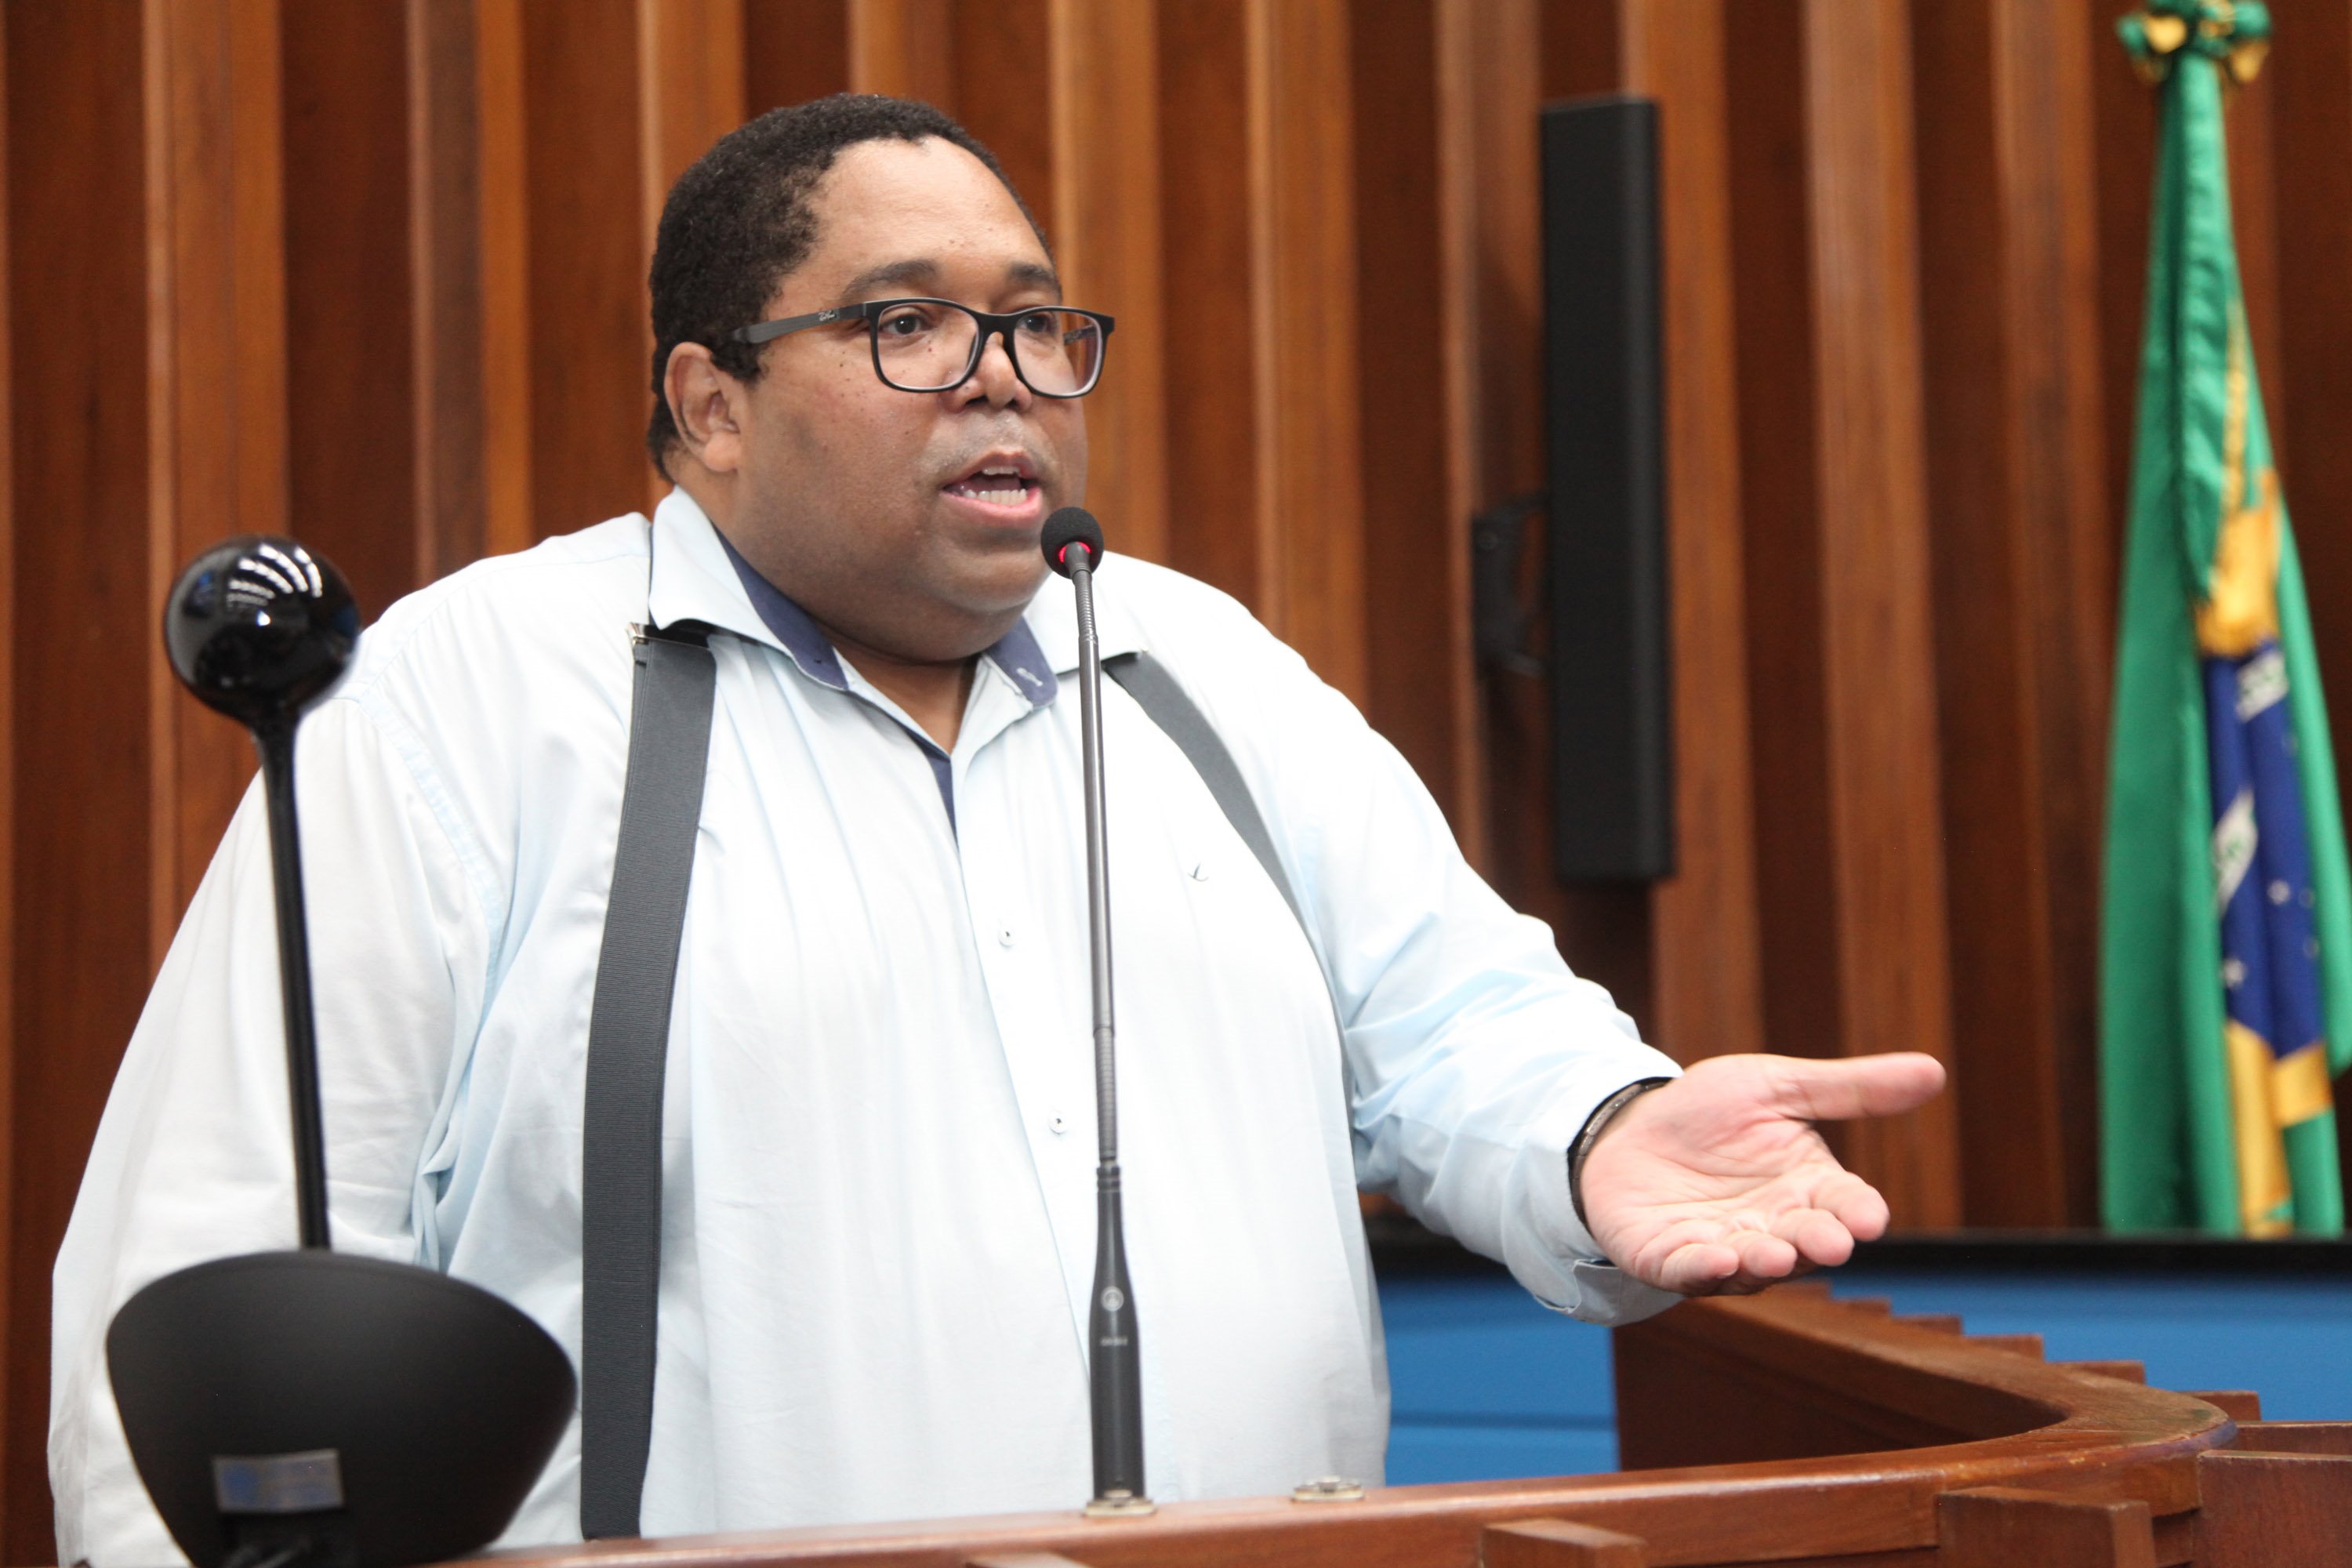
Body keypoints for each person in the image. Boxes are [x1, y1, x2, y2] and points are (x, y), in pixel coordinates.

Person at [50, 94, 1943, 1563]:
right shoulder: (468, 700)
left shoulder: (1201, 669)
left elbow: (1460, 1029)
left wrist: (1604, 1129)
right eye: (908, 325)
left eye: (1037, 326)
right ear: (710, 404)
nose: (1003, 377)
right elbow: (207, 1274)